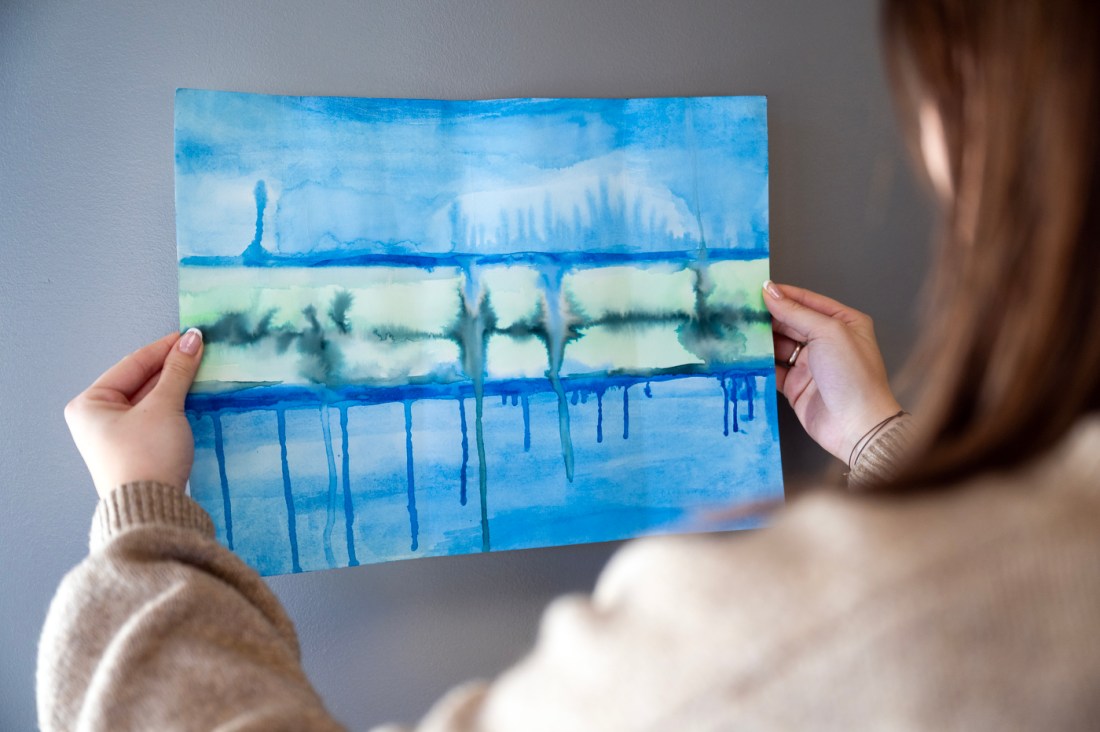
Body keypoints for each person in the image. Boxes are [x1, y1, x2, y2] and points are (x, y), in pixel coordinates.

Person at [38, 0, 1100, 729]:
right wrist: (884, 449)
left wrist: (143, 524)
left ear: (994, 127)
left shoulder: (785, 633)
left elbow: (933, 620)